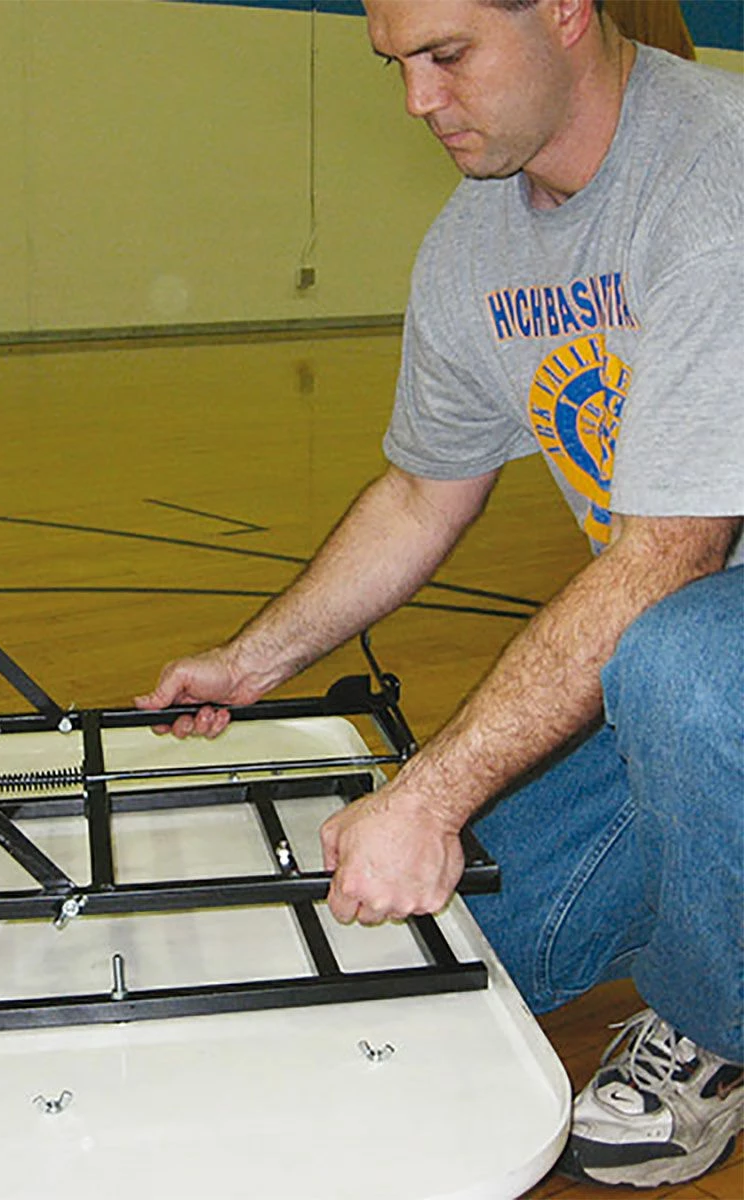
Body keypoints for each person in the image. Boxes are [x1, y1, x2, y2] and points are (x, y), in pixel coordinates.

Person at [135, 0, 743, 1189]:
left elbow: (670, 557)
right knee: (470, 939)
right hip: (706, 630)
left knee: (677, 663)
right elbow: (422, 491)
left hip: (706, 638)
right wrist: (257, 661)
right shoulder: (479, 244)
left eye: (447, 56)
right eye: (398, 65)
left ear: (566, 11)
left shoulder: (716, 183)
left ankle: (718, 1033)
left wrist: (427, 796)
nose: (418, 101)